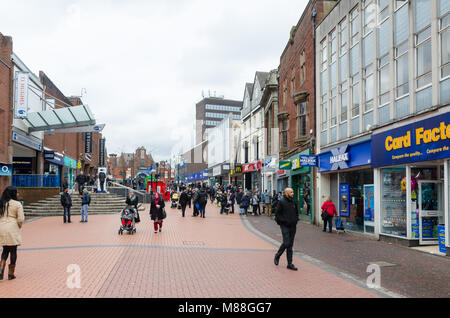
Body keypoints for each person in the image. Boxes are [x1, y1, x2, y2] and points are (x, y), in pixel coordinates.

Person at [0, 186, 24, 280]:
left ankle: (1, 269)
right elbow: (21, 219)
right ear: (13, 194)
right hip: (12, 226)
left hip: (2, 226)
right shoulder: (17, 204)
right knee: (13, 250)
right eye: (16, 192)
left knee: (5, 249)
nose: (17, 194)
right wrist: (19, 225)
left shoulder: (1, 203)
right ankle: (11, 273)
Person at [274, 188, 299, 271]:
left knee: (290, 245)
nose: (293, 193)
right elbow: (277, 214)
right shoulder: (281, 202)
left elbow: (296, 212)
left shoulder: (293, 202)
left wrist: (296, 220)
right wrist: (282, 222)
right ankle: (278, 255)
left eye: (293, 192)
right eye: (291, 192)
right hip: (284, 225)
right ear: (287, 193)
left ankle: (289, 264)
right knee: (286, 242)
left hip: (293, 225)